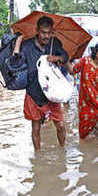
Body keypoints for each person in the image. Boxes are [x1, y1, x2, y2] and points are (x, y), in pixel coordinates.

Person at [18, 15, 68, 151]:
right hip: (33, 92)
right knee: (35, 127)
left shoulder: (55, 43)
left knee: (61, 125)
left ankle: (63, 150)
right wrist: (18, 43)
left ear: (52, 32)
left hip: (52, 93)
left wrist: (57, 57)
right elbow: (16, 62)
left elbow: (65, 56)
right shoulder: (27, 45)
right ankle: (37, 155)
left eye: (49, 33)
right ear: (37, 30)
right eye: (43, 32)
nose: (46, 36)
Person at [65, 41, 98, 138]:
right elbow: (72, 72)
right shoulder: (85, 61)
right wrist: (65, 60)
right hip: (86, 102)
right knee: (83, 133)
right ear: (96, 51)